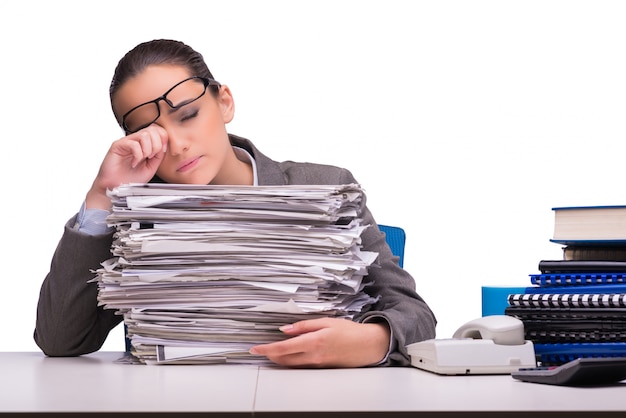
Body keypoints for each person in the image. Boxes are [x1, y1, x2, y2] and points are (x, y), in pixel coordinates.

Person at [34, 39, 436, 368]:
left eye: (188, 115)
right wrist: (102, 195)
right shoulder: (135, 218)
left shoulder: (327, 188)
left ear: (224, 102)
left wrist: (374, 339)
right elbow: (60, 339)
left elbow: (416, 316)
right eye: (151, 132)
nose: (177, 144)